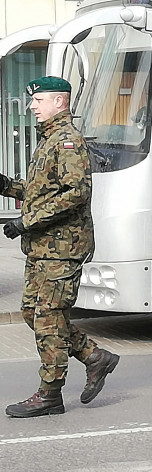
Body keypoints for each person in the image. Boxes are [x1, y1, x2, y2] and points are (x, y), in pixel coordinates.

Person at [2, 76, 120, 418]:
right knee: (31, 312)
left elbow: (75, 193)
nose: (32, 107)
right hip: (42, 248)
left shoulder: (68, 141)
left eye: (38, 101)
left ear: (60, 102)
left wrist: (27, 221)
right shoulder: (49, 140)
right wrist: (6, 186)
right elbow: (42, 192)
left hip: (63, 247)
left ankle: (49, 393)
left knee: (49, 318)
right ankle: (94, 357)